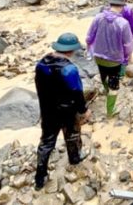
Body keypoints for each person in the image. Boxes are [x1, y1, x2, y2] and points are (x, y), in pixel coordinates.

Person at [34, 33, 91, 190]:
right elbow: (77, 92)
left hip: (47, 110)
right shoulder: (69, 69)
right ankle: (74, 158)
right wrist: (84, 110)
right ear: (71, 51)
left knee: (46, 142)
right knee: (72, 135)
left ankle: (40, 176)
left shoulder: (41, 64)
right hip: (67, 110)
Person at [86, 0, 133, 117]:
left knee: (103, 75)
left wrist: (89, 47)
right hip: (114, 59)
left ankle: (106, 89)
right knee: (114, 84)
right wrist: (128, 56)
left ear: (110, 5)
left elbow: (89, 36)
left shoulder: (98, 17)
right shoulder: (123, 23)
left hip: (98, 56)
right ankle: (110, 111)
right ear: (122, 7)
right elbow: (128, 44)